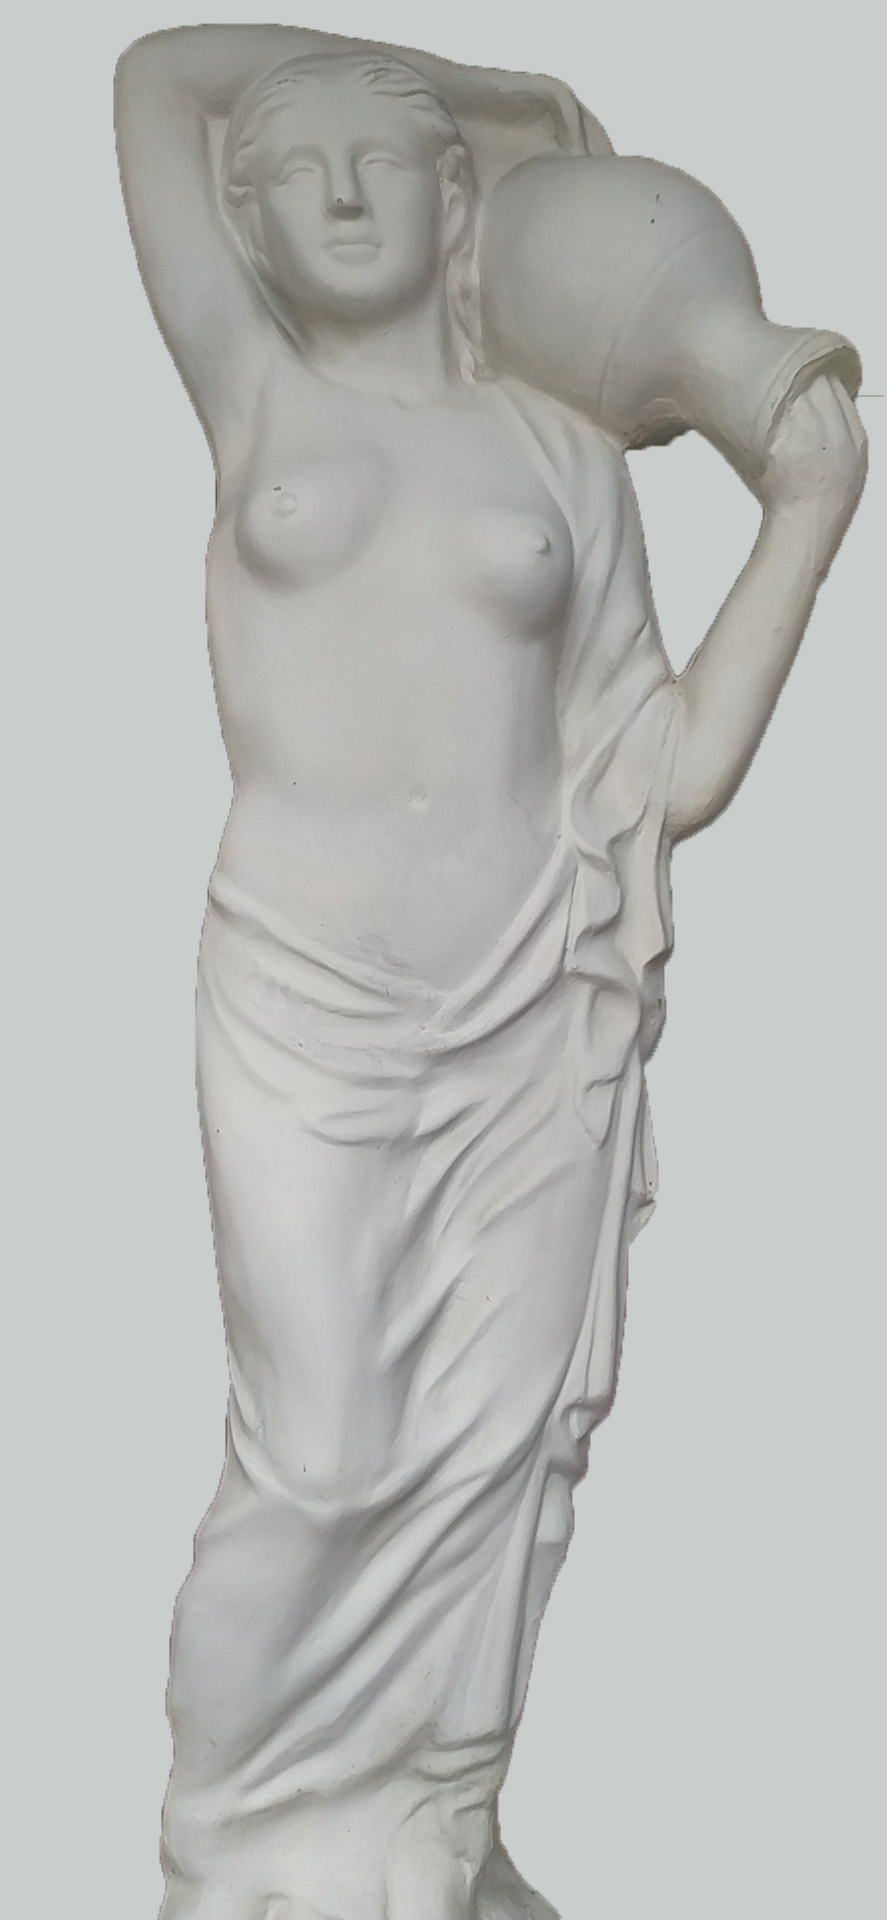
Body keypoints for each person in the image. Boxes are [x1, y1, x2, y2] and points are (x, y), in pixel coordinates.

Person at [115, 27, 866, 1920]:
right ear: (245, 220)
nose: (342, 192)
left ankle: (437, 1834)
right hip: (303, 998)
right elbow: (153, 74)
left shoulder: (564, 457)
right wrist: (481, 95)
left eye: (386, 160)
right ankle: (228, 1854)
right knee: (315, 1445)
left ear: (455, 205)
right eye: (297, 168)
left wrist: (804, 514)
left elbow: (668, 770)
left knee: (495, 1444)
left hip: (529, 1002)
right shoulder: (253, 393)